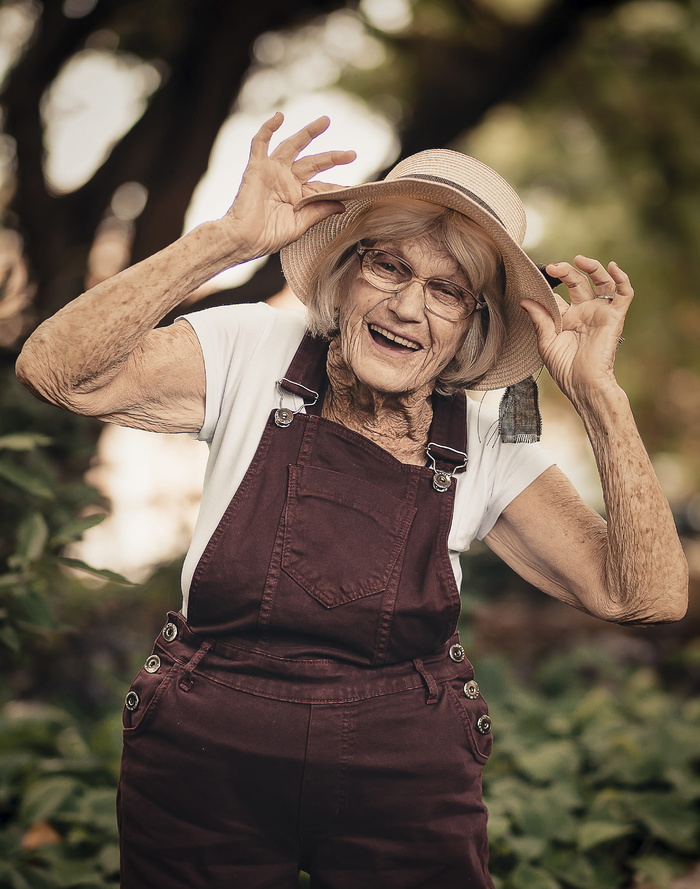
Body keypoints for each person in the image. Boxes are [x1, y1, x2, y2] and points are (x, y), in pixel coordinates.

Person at [16, 113, 688, 889]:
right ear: (347, 272)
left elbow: (648, 595)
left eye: (446, 290)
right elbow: (52, 370)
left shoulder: (489, 440)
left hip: (404, 781)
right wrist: (228, 241)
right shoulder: (250, 349)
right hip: (204, 770)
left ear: (473, 324)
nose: (408, 307)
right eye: (389, 268)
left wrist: (601, 396)